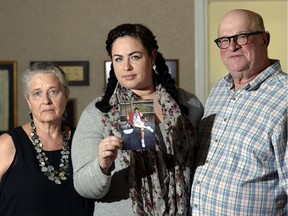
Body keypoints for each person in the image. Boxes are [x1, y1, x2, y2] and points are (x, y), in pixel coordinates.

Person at [72, 23, 204, 215]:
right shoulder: (98, 113)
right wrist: (102, 165)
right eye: (118, 59)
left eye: (135, 56)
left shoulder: (189, 104)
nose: (126, 67)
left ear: (152, 56)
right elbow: (84, 188)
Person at [190, 9, 287, 215]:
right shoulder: (219, 89)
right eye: (224, 40)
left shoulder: (285, 97)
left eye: (242, 37)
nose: (231, 46)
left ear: (265, 39)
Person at [0, 62, 95, 216]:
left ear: (65, 96)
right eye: (37, 93)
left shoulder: (83, 141)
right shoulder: (7, 145)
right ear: (28, 101)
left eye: (53, 92)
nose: (46, 101)